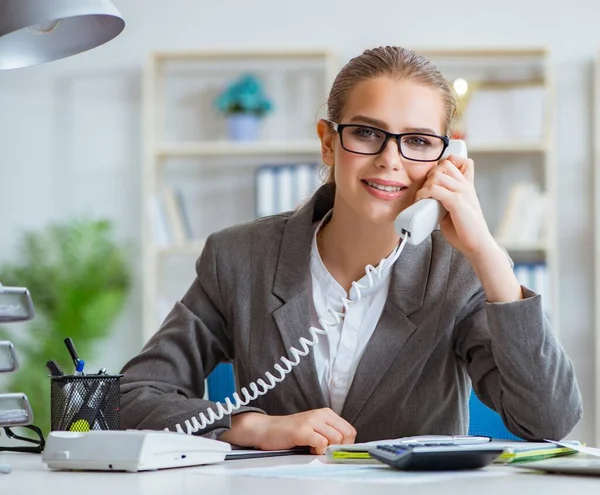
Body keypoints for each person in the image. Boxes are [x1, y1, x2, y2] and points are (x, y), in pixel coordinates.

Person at [120, 46, 582, 454]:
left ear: (446, 158)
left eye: (419, 141)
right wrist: (252, 426)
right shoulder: (239, 258)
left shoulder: (458, 272)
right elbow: (132, 396)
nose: (390, 159)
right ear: (328, 142)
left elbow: (548, 421)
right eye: (366, 133)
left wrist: (486, 253)